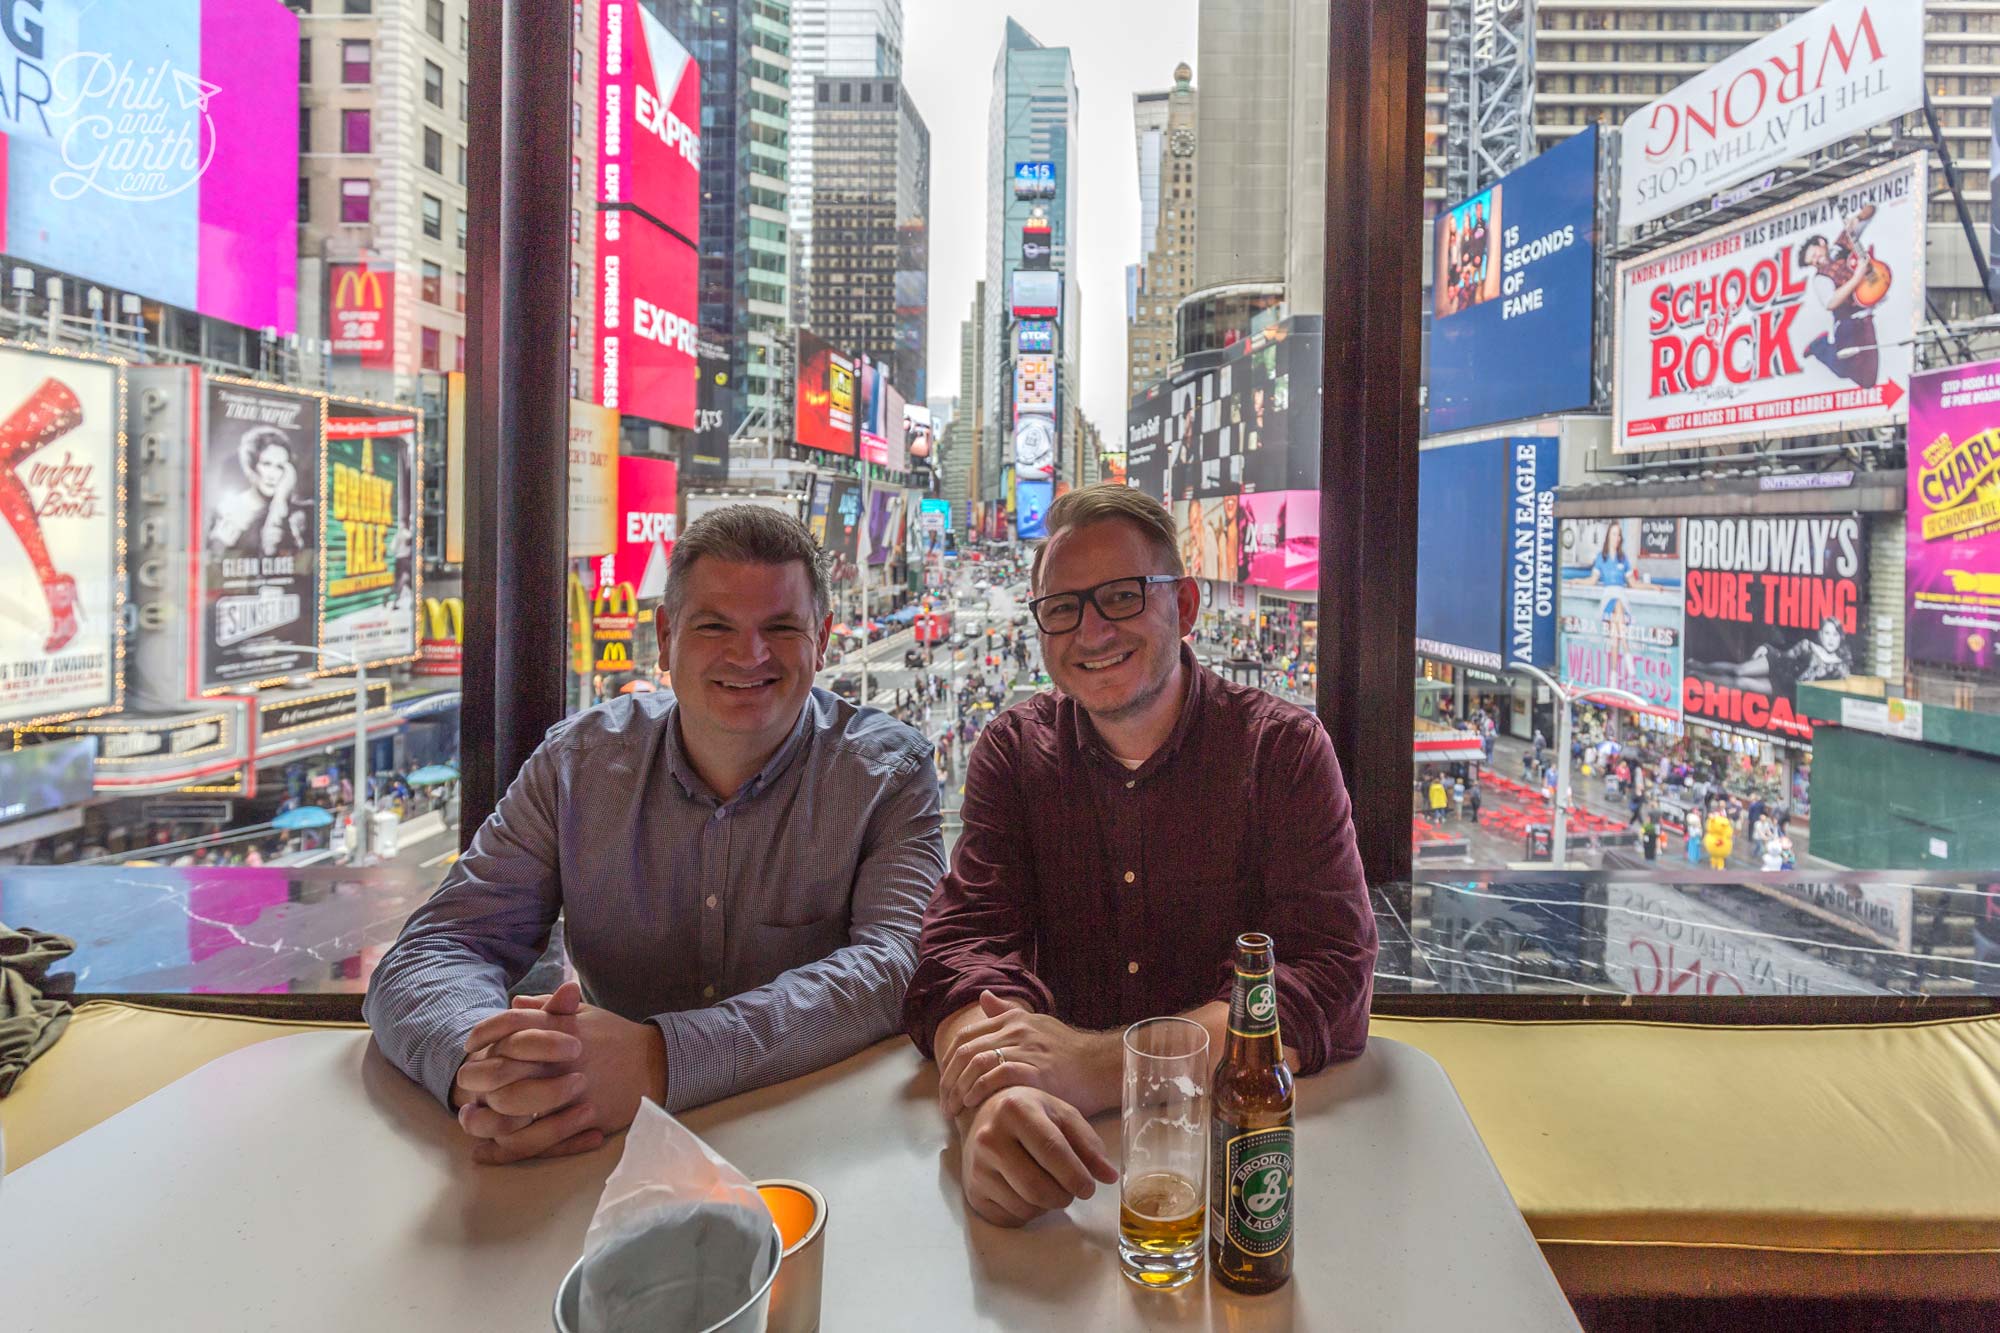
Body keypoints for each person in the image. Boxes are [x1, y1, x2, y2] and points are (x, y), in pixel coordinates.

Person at [365, 506, 947, 1165]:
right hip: (597, 1149)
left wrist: (660, 1059)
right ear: (665, 637)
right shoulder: (575, 766)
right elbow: (438, 946)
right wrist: (487, 1062)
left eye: (780, 628)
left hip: (818, 1153)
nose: (749, 654)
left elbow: (900, 965)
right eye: (714, 626)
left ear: (822, 640)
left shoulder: (888, 775)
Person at [901, 485, 1376, 1229]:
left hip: (1249, 1171)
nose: (1090, 631)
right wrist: (999, 1086)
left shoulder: (1282, 753)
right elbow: (961, 948)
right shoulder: (1013, 753)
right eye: (1063, 607)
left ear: (1184, 607)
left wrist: (1098, 1065)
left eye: (1121, 597)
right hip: (1066, 1167)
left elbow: (1330, 979)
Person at [1798, 206, 1882, 390]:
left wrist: (1858, 217)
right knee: (1845, 367)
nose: (1816, 261)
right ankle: (1820, 347)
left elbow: (1871, 210)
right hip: (1847, 325)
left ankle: (1822, 347)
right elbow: (1831, 302)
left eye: (1814, 255)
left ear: (1821, 243)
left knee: (1868, 380)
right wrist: (1857, 277)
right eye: (1812, 262)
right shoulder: (1821, 278)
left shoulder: (1842, 245)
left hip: (1866, 319)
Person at [1688, 618, 1855, 699]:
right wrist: (1767, 648)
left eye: (1835, 634)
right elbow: (1786, 655)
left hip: (1788, 687)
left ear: (1841, 637)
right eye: (1827, 633)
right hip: (1778, 664)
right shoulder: (1808, 646)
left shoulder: (1841, 667)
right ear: (1820, 635)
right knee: (1739, 670)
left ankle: (1696, 676)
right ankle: (1700, 666)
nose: (1831, 639)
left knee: (1741, 684)